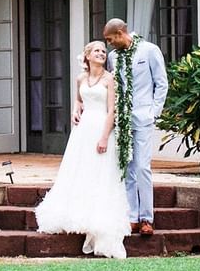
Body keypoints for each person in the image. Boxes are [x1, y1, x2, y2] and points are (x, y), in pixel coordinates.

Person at [34, 41, 131, 258]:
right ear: (87, 55)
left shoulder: (109, 79)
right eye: (97, 51)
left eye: (104, 51)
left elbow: (111, 111)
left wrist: (105, 137)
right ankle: (76, 213)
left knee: (100, 173)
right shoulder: (81, 79)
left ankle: (97, 220)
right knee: (80, 170)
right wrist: (75, 110)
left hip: (100, 129)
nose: (101, 54)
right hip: (83, 131)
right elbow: (79, 100)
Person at [103, 18, 168, 236]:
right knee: (127, 167)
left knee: (142, 166)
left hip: (143, 116)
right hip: (123, 119)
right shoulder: (113, 57)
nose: (109, 44)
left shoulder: (149, 50)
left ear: (121, 33)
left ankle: (147, 218)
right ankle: (132, 216)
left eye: (111, 39)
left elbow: (161, 82)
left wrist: (154, 112)